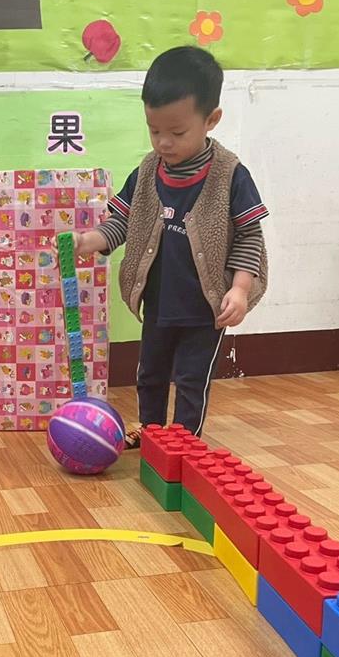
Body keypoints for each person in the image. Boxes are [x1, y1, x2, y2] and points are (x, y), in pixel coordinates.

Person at [74, 46, 268, 446]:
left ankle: (184, 445)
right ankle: (151, 434)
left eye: (177, 133)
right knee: (150, 374)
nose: (163, 142)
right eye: (154, 130)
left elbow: (250, 236)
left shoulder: (231, 175)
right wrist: (90, 241)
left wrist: (240, 288)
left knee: (192, 379)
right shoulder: (147, 172)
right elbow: (123, 221)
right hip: (160, 301)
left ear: (211, 119)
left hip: (205, 308)